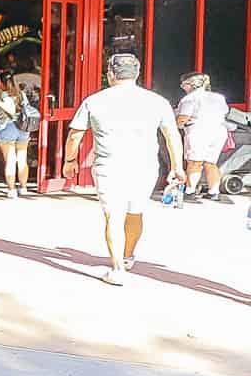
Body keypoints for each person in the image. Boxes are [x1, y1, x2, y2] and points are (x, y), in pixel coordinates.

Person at [62, 53, 184, 286]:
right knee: (135, 212)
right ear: (137, 74)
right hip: (145, 166)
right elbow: (171, 135)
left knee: (113, 216)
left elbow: (75, 134)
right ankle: (127, 257)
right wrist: (177, 166)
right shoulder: (157, 101)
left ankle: (118, 268)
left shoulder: (95, 100)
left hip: (109, 165)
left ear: (110, 74)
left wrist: (70, 160)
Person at [175, 72, 231, 201]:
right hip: (218, 131)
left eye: (184, 84)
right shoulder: (219, 97)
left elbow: (183, 117)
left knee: (195, 162)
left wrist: (176, 126)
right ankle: (213, 191)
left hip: (198, 131)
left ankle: (190, 191)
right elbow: (225, 112)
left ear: (190, 85)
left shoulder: (190, 98)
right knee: (211, 163)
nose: (182, 87)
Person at [0, 71, 32, 198]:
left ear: (0, 83)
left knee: (10, 160)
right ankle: (24, 187)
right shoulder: (21, 94)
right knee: (22, 160)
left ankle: (12, 189)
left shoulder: (2, 96)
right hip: (23, 129)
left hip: (7, 128)